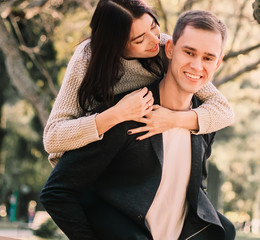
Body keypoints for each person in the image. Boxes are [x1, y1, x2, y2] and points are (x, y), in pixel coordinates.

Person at [40, 9, 236, 240]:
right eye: (189, 52)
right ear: (171, 49)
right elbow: (56, 191)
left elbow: (195, 190)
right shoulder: (124, 113)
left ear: (218, 62)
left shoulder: (203, 122)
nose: (196, 65)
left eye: (208, 58)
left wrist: (173, 119)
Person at [43, 0, 234, 167]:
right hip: (87, 166)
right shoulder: (87, 58)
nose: (154, 40)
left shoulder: (165, 48)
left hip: (133, 163)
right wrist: (117, 114)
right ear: (117, 45)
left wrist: (172, 119)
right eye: (139, 39)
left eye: (153, 26)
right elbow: (52, 138)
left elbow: (223, 111)